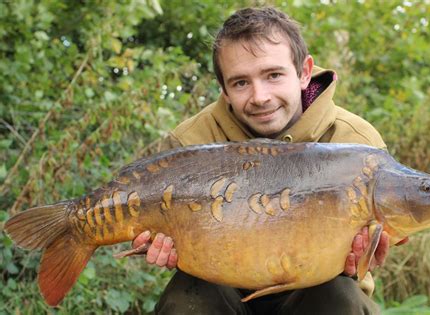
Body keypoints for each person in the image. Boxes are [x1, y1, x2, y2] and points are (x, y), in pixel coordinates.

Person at [133, 7, 400, 314]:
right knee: (187, 300)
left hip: (319, 289)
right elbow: (161, 229)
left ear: (303, 72)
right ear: (224, 89)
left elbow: (383, 238)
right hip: (220, 286)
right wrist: (162, 244)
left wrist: (362, 258)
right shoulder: (191, 141)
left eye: (273, 75)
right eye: (240, 83)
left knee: (341, 297)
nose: (260, 96)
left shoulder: (357, 142)